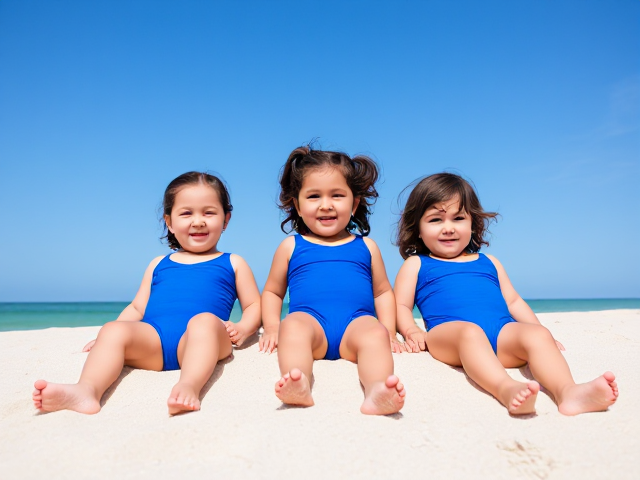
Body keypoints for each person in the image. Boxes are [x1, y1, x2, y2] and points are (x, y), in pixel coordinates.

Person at [32, 172, 261, 415]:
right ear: (169, 222)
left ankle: (188, 386)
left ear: (226, 219)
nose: (198, 221)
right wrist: (107, 339)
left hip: (205, 342)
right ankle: (87, 391)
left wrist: (244, 328)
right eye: (186, 213)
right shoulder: (158, 263)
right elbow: (137, 309)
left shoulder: (232, 262)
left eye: (208, 212)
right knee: (112, 329)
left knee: (203, 321)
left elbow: (254, 305)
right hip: (155, 344)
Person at [394, 172, 619, 416]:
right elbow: (401, 306)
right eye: (436, 220)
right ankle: (506, 388)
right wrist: (411, 330)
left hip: (501, 336)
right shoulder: (417, 264)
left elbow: (513, 301)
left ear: (473, 222)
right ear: (417, 228)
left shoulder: (489, 262)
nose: (448, 228)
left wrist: (542, 333)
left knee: (537, 335)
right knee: (469, 332)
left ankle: (568, 392)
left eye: (458, 218)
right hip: (450, 337)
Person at [260, 145, 405, 415]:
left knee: (374, 334)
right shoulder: (291, 246)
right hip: (311, 325)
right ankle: (298, 380)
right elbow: (272, 292)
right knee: (291, 325)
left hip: (355, 326)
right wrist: (270, 326)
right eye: (313, 196)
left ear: (355, 203)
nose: (326, 205)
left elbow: (383, 293)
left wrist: (389, 330)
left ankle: (376, 390)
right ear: (297, 205)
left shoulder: (367, 247)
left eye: (337, 195)